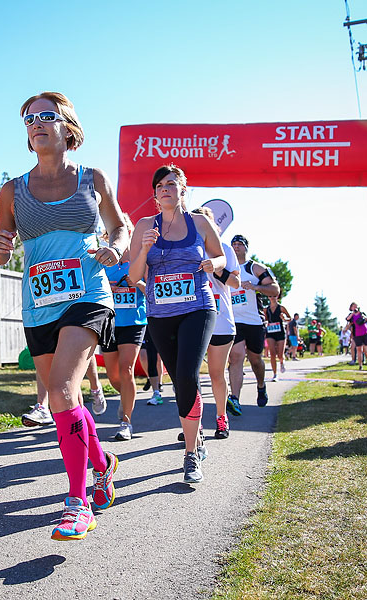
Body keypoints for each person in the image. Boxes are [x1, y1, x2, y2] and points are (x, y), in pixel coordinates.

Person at [0, 92, 125, 540]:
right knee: (64, 399)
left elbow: (119, 225)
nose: (36, 123)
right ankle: (103, 464)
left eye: (46, 116)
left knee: (62, 390)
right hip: (39, 302)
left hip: (88, 293)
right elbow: (1, 244)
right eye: (29, 119)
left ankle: (77, 502)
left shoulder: (93, 178)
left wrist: (116, 247)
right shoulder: (11, 190)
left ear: (68, 127)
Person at [129, 164, 225, 483]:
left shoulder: (200, 222)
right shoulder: (145, 225)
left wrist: (213, 263)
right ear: (155, 195)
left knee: (186, 374)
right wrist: (144, 248)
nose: (165, 189)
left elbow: (221, 257)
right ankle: (197, 434)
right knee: (180, 381)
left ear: (183, 189)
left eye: (171, 183)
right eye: (160, 186)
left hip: (198, 307)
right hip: (160, 314)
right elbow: (133, 275)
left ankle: (190, 454)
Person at [192, 207, 240, 439]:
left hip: (220, 321)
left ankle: (222, 419)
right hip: (192, 317)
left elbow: (236, 283)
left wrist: (216, 269)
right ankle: (194, 425)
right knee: (190, 375)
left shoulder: (225, 249)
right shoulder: (185, 246)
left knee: (216, 374)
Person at [101, 216, 146, 441]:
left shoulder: (139, 260)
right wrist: (106, 288)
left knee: (126, 368)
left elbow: (151, 290)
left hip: (134, 321)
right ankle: (126, 399)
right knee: (113, 376)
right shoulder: (103, 260)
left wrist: (137, 282)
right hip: (109, 322)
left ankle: (126, 422)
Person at [227, 235, 280, 413]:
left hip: (254, 321)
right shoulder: (226, 267)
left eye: (240, 244)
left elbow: (275, 289)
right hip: (234, 320)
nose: (236, 247)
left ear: (246, 248)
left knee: (255, 359)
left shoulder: (254, 267)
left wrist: (255, 287)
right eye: (233, 244)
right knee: (236, 357)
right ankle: (235, 399)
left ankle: (261, 385)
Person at [264, 295, 291, 380]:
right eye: (270, 296)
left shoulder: (281, 308)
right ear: (268, 297)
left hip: (280, 332)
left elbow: (290, 318)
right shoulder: (266, 309)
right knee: (272, 354)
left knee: (280, 354)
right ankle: (275, 374)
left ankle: (282, 362)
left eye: (274, 296)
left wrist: (284, 318)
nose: (272, 297)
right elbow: (265, 319)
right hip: (270, 332)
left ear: (277, 297)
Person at [346, 303, 367, 368]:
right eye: (353, 306)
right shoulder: (351, 315)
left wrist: (362, 315)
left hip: (364, 332)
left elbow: (366, 319)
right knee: (359, 349)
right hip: (357, 333)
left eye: (356, 306)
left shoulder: (361, 313)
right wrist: (353, 313)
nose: (355, 307)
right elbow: (347, 319)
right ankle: (360, 365)